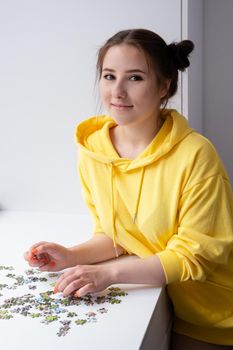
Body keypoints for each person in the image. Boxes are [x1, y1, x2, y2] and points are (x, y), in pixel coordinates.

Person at [24, 29, 233, 349]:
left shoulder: (196, 155)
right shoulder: (93, 151)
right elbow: (117, 235)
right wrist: (70, 255)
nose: (117, 91)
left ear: (164, 86)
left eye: (134, 78)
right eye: (109, 76)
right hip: (164, 301)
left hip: (215, 314)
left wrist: (108, 275)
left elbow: (195, 257)